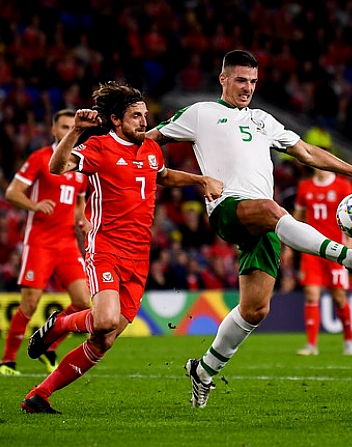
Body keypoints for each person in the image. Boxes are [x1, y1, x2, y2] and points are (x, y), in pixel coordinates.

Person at [146, 50, 352, 408]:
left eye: (252, 81)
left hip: (265, 221)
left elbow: (307, 153)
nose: (247, 88)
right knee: (269, 208)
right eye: (240, 80)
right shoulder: (201, 113)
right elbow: (149, 140)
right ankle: (351, 259)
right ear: (223, 79)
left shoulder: (264, 120)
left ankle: (203, 371)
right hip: (228, 209)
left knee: (255, 310)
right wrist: (158, 175)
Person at [21, 81, 223, 413]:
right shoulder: (99, 147)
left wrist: (199, 180)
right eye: (135, 116)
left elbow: (163, 175)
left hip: (139, 257)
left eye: (145, 115)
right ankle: (58, 325)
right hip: (105, 249)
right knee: (104, 321)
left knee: (105, 339)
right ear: (116, 120)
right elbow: (58, 167)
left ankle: (38, 395)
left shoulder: (151, 150)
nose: (144, 122)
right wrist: (74, 132)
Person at [0, 109, 92, 376]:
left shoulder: (79, 164)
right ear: (54, 130)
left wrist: (83, 220)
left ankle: (49, 344)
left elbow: (78, 204)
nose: (67, 131)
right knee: (30, 302)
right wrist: (35, 205)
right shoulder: (40, 158)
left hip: (67, 243)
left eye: (72, 127)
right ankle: (7, 361)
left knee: (84, 303)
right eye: (63, 127)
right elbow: (12, 192)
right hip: (39, 241)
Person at [294, 167, 352, 356]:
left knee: (339, 297)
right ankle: (311, 345)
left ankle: (348, 339)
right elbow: (299, 217)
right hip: (311, 250)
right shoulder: (304, 187)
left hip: (336, 250)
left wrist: (350, 247)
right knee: (311, 295)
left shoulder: (343, 186)